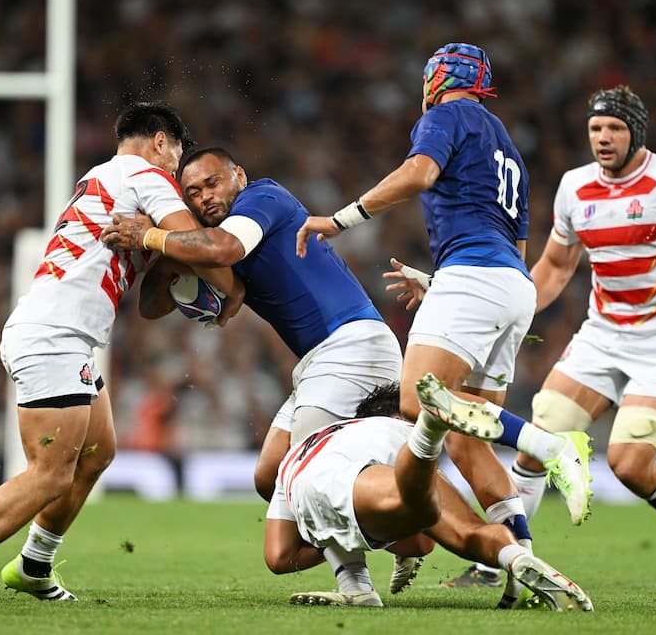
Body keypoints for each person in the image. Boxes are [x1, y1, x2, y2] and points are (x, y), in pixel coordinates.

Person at [295, 42, 593, 600]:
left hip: (473, 279)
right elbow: (511, 246)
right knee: (466, 440)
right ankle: (521, 569)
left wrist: (341, 219)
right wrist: (442, 283)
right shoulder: (509, 147)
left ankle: (552, 448)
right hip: (510, 285)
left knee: (418, 401)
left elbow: (420, 173)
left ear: (437, 80)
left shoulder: (446, 115)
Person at [0, 102, 243, 604]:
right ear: (160, 142)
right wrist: (228, 285)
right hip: (54, 335)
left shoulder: (102, 177)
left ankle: (34, 564)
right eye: (178, 158)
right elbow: (212, 255)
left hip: (68, 335)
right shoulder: (146, 176)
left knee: (98, 452)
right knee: (49, 472)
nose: (181, 177)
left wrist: (165, 260)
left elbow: (153, 300)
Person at [101, 147, 405, 601]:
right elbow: (151, 306)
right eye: (192, 194)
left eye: (212, 183)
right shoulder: (210, 235)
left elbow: (227, 249)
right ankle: (397, 527)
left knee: (312, 469)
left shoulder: (263, 198)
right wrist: (174, 246)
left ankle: (358, 585)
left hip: (351, 344)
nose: (204, 197)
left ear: (239, 175)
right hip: (322, 360)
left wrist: (151, 237)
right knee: (270, 478)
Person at [505, 85, 656, 589]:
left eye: (614, 128)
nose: (603, 137)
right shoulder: (575, 187)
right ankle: (503, 559)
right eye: (596, 128)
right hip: (601, 335)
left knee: (629, 462)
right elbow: (555, 266)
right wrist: (513, 308)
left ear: (635, 131)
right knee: (536, 442)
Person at [265, 373, 594, 611]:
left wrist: (338, 541)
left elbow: (279, 559)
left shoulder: (304, 447)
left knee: (427, 515)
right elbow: (422, 541)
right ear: (397, 415)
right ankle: (429, 429)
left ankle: (516, 560)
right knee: (466, 532)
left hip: (304, 484)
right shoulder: (389, 428)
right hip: (367, 474)